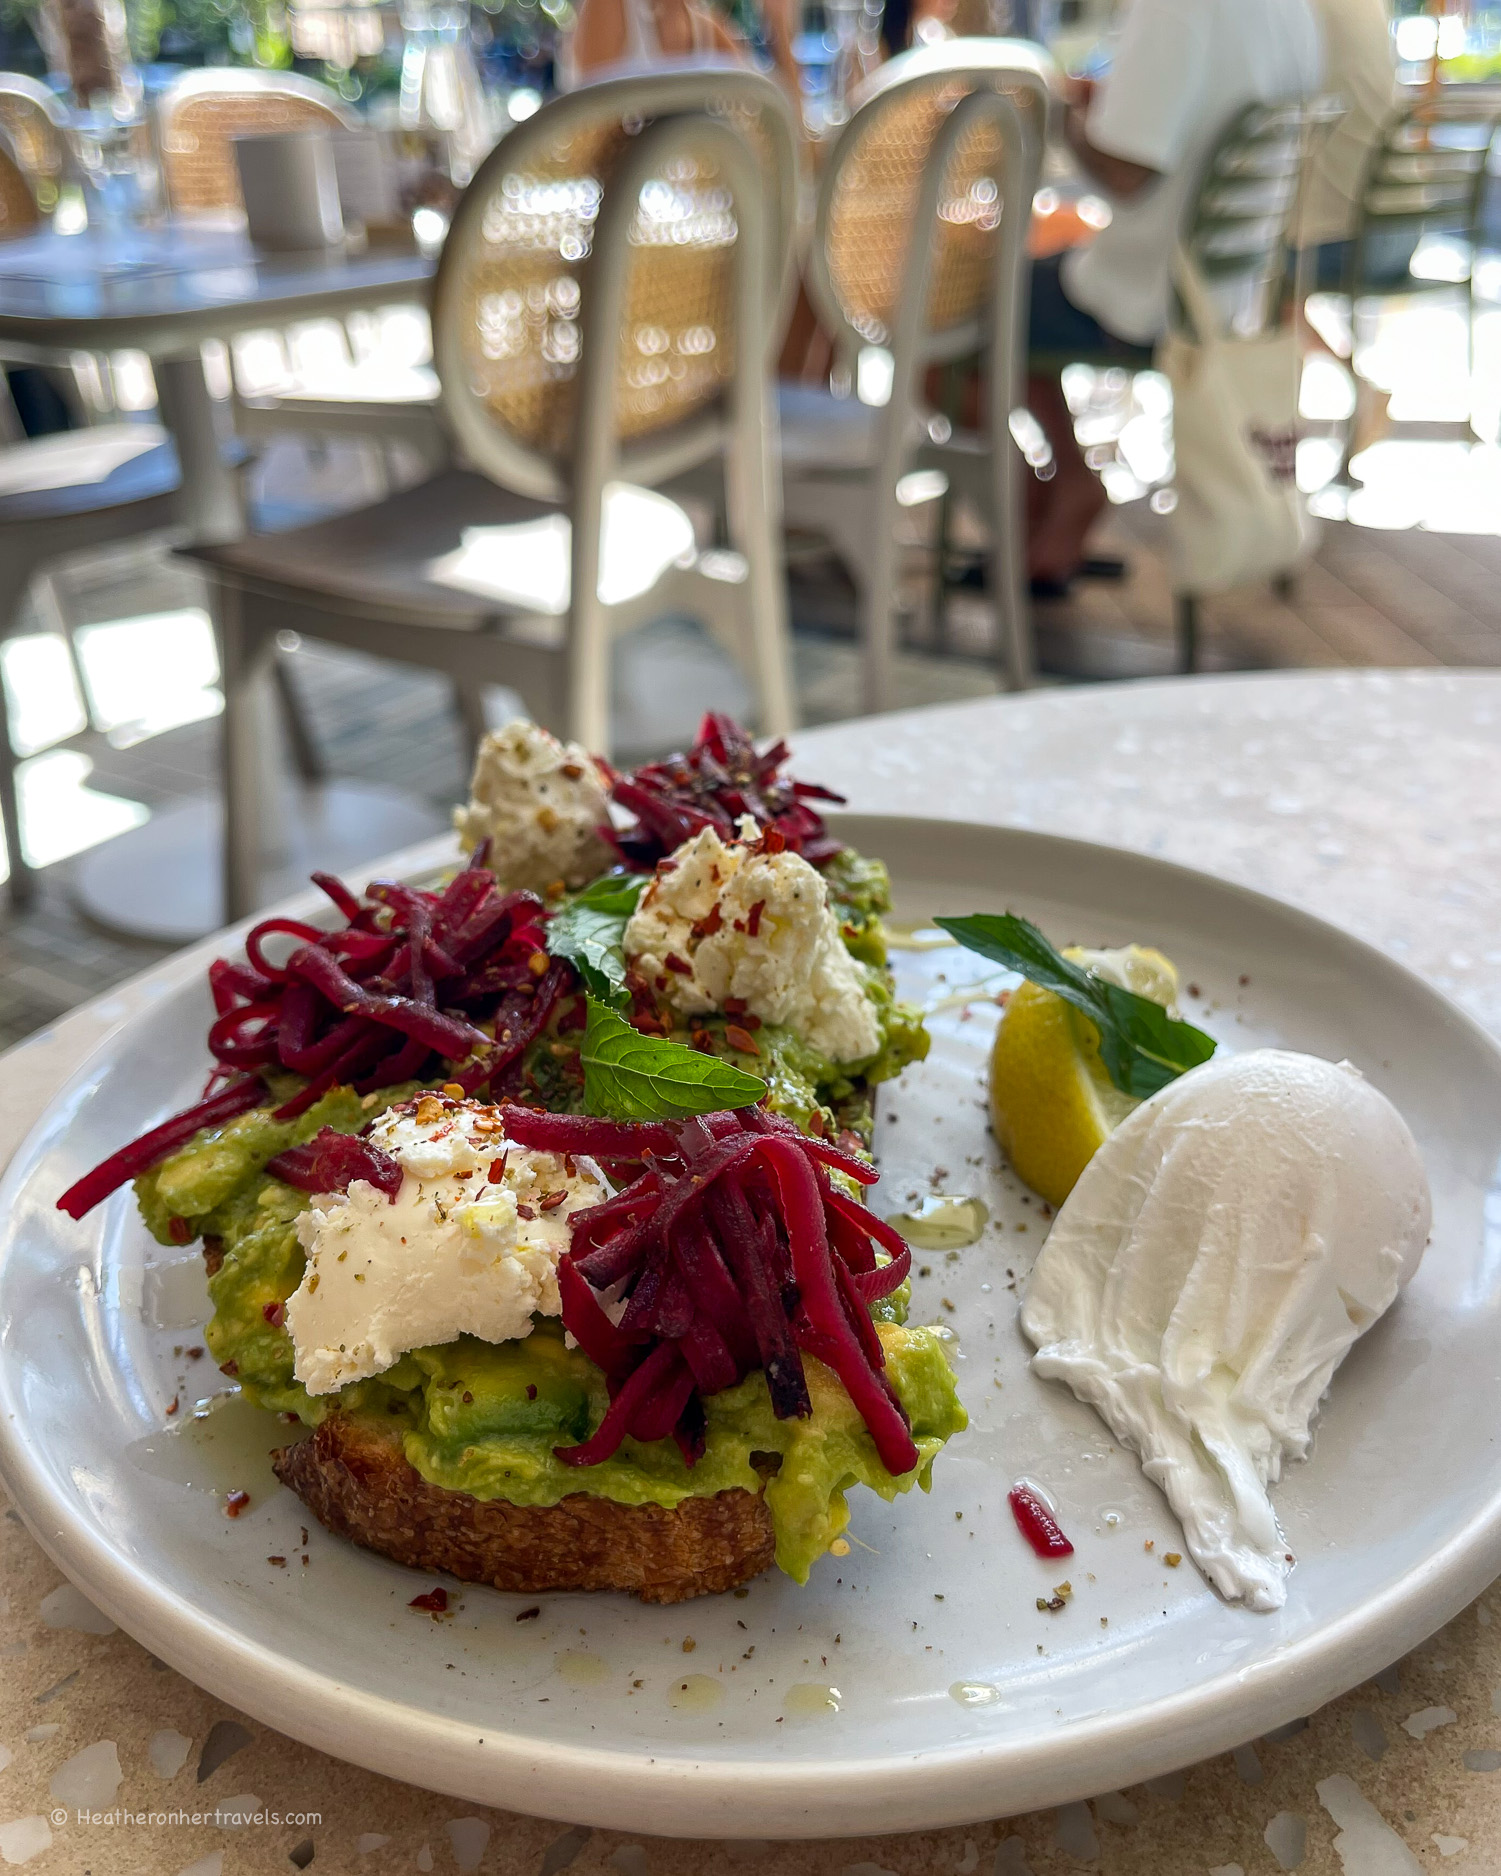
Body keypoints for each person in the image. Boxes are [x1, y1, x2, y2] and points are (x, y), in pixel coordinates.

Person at [1025, 0, 1324, 589]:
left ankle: (1053, 508)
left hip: (1149, 297)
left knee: (958, 308)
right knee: (1005, 291)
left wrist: (1060, 112)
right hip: (1238, 289)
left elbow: (1126, 175)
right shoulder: (1296, 10)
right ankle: (1056, 503)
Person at [1299, 0, 1407, 289]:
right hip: (1407, 233)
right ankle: (1293, 324)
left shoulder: (1296, 9)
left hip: (1341, 245)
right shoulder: (1373, 5)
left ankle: (1285, 322)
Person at [556, 0, 798, 94]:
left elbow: (776, 113)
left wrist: (779, 25)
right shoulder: (609, 7)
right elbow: (590, 130)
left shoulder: (708, 30)